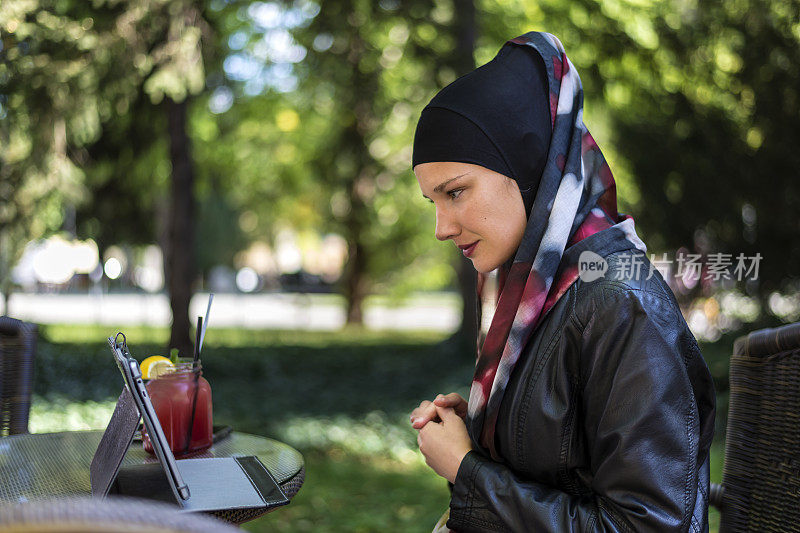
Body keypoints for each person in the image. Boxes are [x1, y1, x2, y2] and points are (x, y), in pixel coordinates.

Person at [409, 31, 716, 532]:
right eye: (433, 202)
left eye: (456, 192)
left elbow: (651, 526)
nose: (441, 227)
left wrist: (469, 474)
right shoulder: (544, 292)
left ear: (529, 169)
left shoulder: (619, 300)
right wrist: (485, 435)